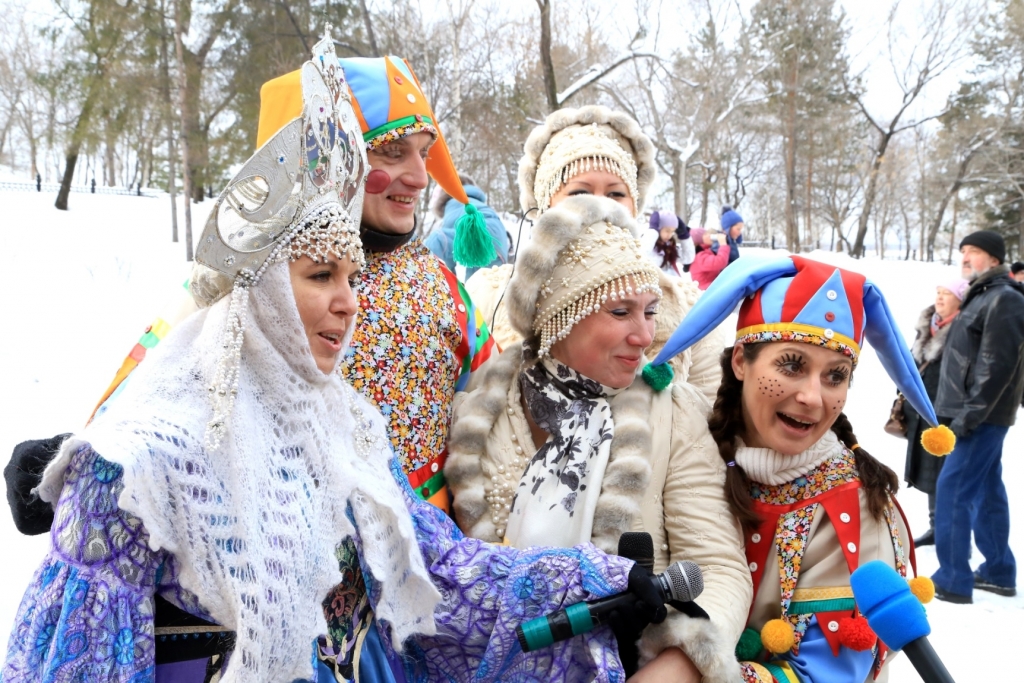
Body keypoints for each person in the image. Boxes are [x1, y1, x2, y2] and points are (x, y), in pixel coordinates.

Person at [2, 39, 659, 683]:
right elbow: (157, 374)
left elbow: (450, 540)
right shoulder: (150, 448)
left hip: (391, 600)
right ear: (255, 283)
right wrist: (82, 452)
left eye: (423, 155)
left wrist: (586, 573)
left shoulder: (371, 397)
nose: (347, 302)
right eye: (321, 275)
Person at [5, 53, 496, 524]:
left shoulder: (441, 287)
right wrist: (78, 462)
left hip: (423, 575)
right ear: (325, 156)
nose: (418, 175)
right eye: (392, 151)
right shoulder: (243, 279)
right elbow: (158, 387)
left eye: (424, 154)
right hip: (283, 572)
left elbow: (499, 405)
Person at [446, 196, 752, 683]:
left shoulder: (673, 412)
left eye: (650, 311)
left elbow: (718, 567)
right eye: (620, 312)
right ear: (561, 316)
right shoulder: (482, 409)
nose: (644, 334)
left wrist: (675, 667)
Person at [648, 255, 956, 683]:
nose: (813, 396)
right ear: (741, 361)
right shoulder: (689, 451)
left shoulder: (854, 507)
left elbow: (826, 675)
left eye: (835, 376)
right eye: (791, 365)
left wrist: (688, 673)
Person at [464, 105, 725, 401]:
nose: (601, 208)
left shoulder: (690, 309)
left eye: (616, 194)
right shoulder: (486, 295)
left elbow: (708, 419)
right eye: (579, 193)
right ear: (544, 207)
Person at [932, 230, 1024, 603]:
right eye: (964, 251)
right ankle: (999, 572)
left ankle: (953, 578)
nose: (966, 257)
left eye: (975, 251)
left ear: (995, 258)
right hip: (977, 411)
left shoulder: (1004, 298)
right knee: (986, 491)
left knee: (952, 490)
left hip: (981, 414)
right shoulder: (982, 296)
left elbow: (997, 365)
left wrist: (969, 414)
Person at [902, 277, 969, 548]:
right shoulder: (927, 325)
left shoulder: (964, 328)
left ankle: (952, 530)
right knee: (929, 470)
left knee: (949, 474)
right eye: (938, 292)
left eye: (947, 293)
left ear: (960, 299)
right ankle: (935, 526)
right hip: (923, 410)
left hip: (948, 411)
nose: (940, 298)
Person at [425, 173, 510, 278]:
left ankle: (422, 278)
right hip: (498, 242)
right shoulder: (478, 204)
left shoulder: (452, 204)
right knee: (492, 287)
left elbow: (443, 243)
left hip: (478, 237)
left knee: (437, 240)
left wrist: (448, 280)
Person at [641, 209, 695, 276]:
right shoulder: (648, 244)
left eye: (672, 231)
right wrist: (653, 231)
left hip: (671, 283)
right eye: (667, 231)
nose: (669, 235)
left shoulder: (670, 247)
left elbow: (688, 258)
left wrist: (685, 236)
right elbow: (641, 255)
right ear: (658, 228)